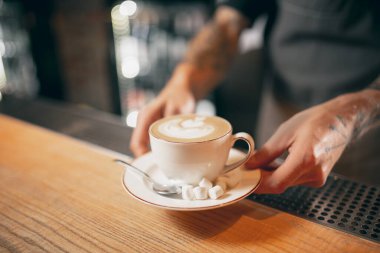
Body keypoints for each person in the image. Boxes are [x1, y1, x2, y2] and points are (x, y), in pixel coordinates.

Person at [130, 0, 380, 194]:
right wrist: (184, 78)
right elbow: (230, 20)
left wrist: (354, 110)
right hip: (280, 111)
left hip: (369, 131)